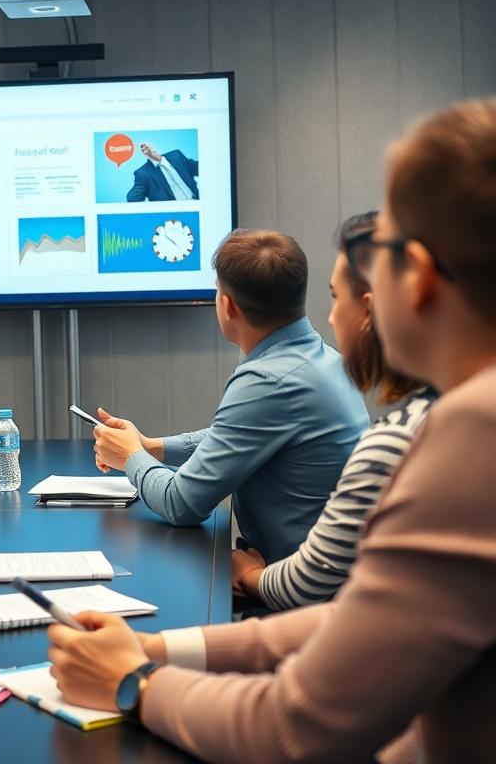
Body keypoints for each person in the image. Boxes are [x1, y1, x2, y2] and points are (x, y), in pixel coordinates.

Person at [48, 98, 496, 762]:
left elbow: (293, 728)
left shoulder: (470, 436)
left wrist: (134, 683)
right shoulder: (447, 414)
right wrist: (163, 648)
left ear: (418, 280)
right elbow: (358, 626)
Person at [93, 230, 369, 563]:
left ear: (227, 306)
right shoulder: (324, 360)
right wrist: (154, 447)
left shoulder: (268, 382)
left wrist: (131, 458)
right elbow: (238, 435)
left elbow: (181, 505)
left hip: (297, 594)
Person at [232, 212, 435, 610]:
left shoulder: (398, 439)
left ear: (371, 310)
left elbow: (309, 586)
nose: (330, 316)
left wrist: (247, 574)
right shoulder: (442, 416)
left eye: (336, 297)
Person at [126, 142, 199, 201]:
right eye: (145, 148)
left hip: (197, 204)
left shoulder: (176, 156)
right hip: (172, 214)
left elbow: (198, 168)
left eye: (149, 146)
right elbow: (132, 198)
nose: (149, 149)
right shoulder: (143, 173)